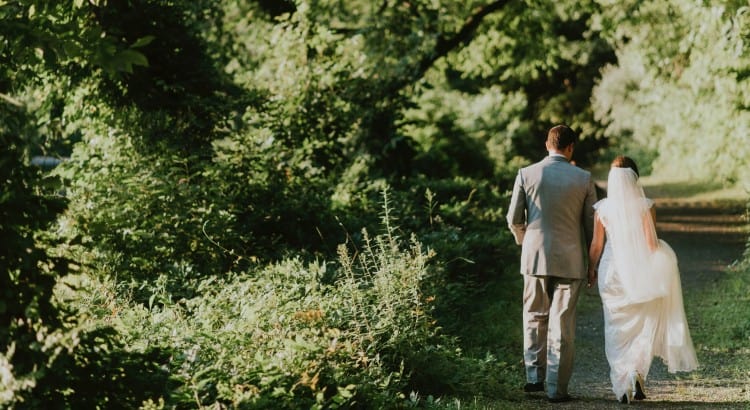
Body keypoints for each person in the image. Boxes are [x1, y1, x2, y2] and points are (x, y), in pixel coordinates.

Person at [587, 156, 698, 404]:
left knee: (615, 327)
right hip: (638, 271)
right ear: (635, 178)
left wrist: (591, 269)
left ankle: (622, 383)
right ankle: (636, 373)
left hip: (611, 272)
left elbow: (596, 245)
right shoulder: (646, 206)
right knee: (641, 326)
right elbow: (650, 244)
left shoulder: (603, 208)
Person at [506, 125, 598, 403]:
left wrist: (525, 241)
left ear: (547, 144)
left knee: (534, 315)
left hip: (534, 256)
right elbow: (591, 228)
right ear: (571, 148)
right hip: (571, 260)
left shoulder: (526, 174)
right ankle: (556, 388)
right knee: (562, 322)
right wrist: (592, 263)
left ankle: (534, 377)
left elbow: (513, 218)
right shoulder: (584, 179)